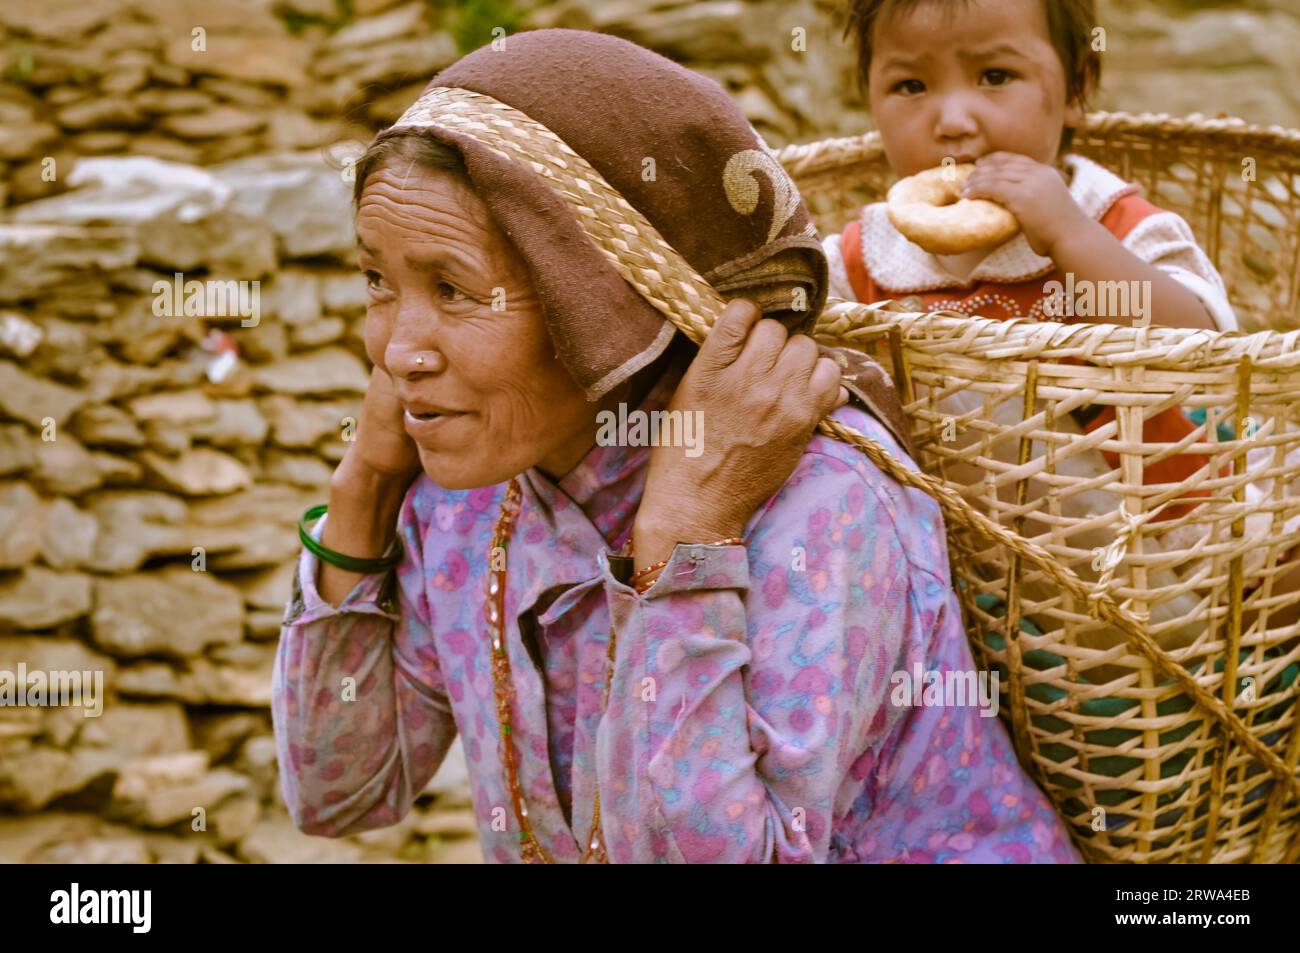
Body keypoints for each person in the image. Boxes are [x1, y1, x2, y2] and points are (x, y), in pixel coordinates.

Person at [272, 27, 1081, 863]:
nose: (399, 350)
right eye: (378, 280)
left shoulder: (823, 501)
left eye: (453, 288)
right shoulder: (471, 489)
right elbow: (342, 791)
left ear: (601, 303)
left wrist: (682, 542)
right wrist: (363, 487)